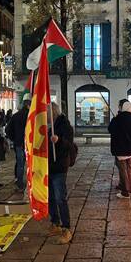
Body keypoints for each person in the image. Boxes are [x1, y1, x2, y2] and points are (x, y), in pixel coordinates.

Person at [47, 102, 74, 244]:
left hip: (59, 166)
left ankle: (66, 228)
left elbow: (70, 145)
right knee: (50, 197)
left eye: (46, 112)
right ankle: (55, 223)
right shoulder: (48, 126)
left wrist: (59, 140)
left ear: (53, 112)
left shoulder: (65, 126)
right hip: (48, 166)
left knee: (60, 198)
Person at [108, 101, 131, 198]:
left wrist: (115, 120)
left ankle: (125, 192)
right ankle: (129, 189)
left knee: (123, 171)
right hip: (130, 149)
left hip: (120, 149)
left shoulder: (118, 118)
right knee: (129, 169)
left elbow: (110, 129)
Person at [6, 96, 30, 192]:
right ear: (28, 105)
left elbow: (8, 129)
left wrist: (14, 139)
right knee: (31, 164)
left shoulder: (15, 116)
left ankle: (20, 182)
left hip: (19, 143)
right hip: (29, 143)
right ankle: (30, 182)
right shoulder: (30, 115)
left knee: (20, 164)